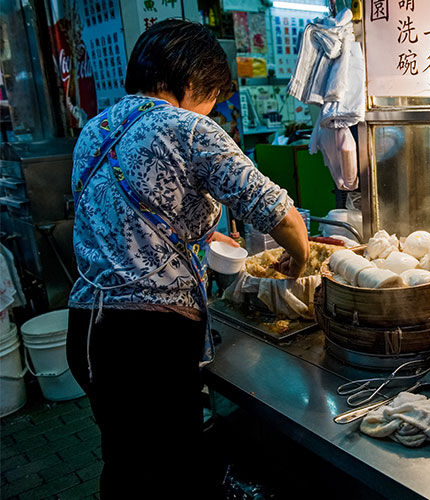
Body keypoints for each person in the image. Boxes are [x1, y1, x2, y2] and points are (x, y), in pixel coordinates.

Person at [65, 20, 309, 498]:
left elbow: (125, 222)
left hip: (89, 332)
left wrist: (198, 232)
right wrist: (299, 261)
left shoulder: (95, 129)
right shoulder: (188, 127)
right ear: (194, 81)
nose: (212, 108)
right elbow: (280, 213)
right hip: (148, 342)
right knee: (166, 471)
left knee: (127, 461)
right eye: (214, 95)